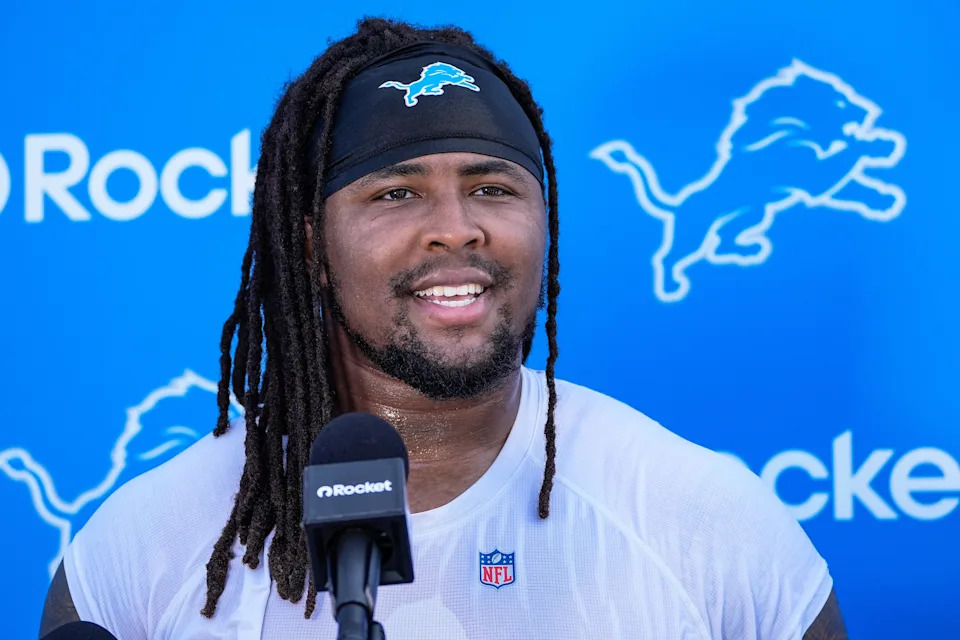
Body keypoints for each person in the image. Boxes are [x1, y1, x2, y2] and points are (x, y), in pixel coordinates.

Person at [40, 17, 847, 640]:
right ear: (311, 247)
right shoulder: (146, 550)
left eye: (493, 187)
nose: (456, 230)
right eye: (394, 193)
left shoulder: (705, 522)